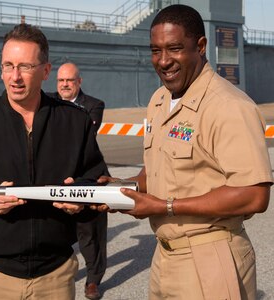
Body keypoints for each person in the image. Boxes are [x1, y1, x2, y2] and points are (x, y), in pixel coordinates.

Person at [96, 4, 273, 300]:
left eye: (174, 48)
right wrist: (121, 190)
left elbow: (254, 195)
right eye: (155, 50)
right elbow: (158, 171)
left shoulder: (228, 106)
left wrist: (163, 207)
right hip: (165, 257)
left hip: (211, 257)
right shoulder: (158, 100)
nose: (163, 61)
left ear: (200, 46)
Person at [0, 23, 108, 300]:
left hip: (54, 277)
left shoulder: (75, 122)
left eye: (25, 67)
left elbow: (97, 183)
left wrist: (80, 201)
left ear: (46, 71)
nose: (15, 77)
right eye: (8, 66)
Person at [48, 62, 106, 300]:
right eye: (61, 80)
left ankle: (93, 280)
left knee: (90, 232)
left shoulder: (93, 106)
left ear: (78, 82)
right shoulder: (46, 100)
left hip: (85, 175)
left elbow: (81, 138)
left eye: (70, 80)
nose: (64, 85)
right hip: (55, 175)